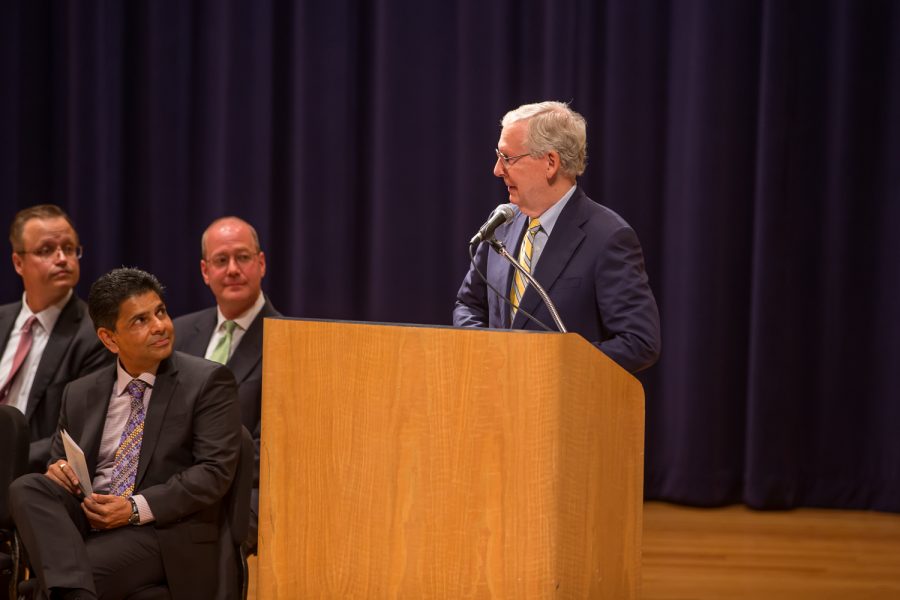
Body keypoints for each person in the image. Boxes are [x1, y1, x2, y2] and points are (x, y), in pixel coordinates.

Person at [9, 268, 242, 599]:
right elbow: (62, 456)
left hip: (158, 529)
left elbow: (214, 473)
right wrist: (59, 470)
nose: (159, 326)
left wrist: (133, 508)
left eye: (160, 312)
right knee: (28, 486)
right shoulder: (80, 392)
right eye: (140, 321)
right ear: (109, 339)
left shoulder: (207, 382)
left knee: (58, 580)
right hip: (90, 515)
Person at [454, 101, 661, 373]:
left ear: (550, 163)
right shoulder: (501, 223)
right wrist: (489, 353)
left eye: (508, 158)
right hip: (496, 403)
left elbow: (639, 342)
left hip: (563, 407)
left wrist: (550, 365)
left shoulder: (608, 237)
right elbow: (468, 305)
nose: (497, 169)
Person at [173, 216, 280, 553]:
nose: (232, 269)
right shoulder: (177, 335)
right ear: (206, 272)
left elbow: (273, 451)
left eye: (243, 257)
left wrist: (197, 483)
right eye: (221, 260)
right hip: (172, 488)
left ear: (260, 264)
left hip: (240, 494)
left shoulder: (287, 342)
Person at [0, 205, 110, 472]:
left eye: (70, 248)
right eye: (46, 250)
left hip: (29, 475)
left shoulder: (95, 334)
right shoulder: (2, 319)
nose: (62, 258)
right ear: (18, 263)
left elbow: (77, 434)